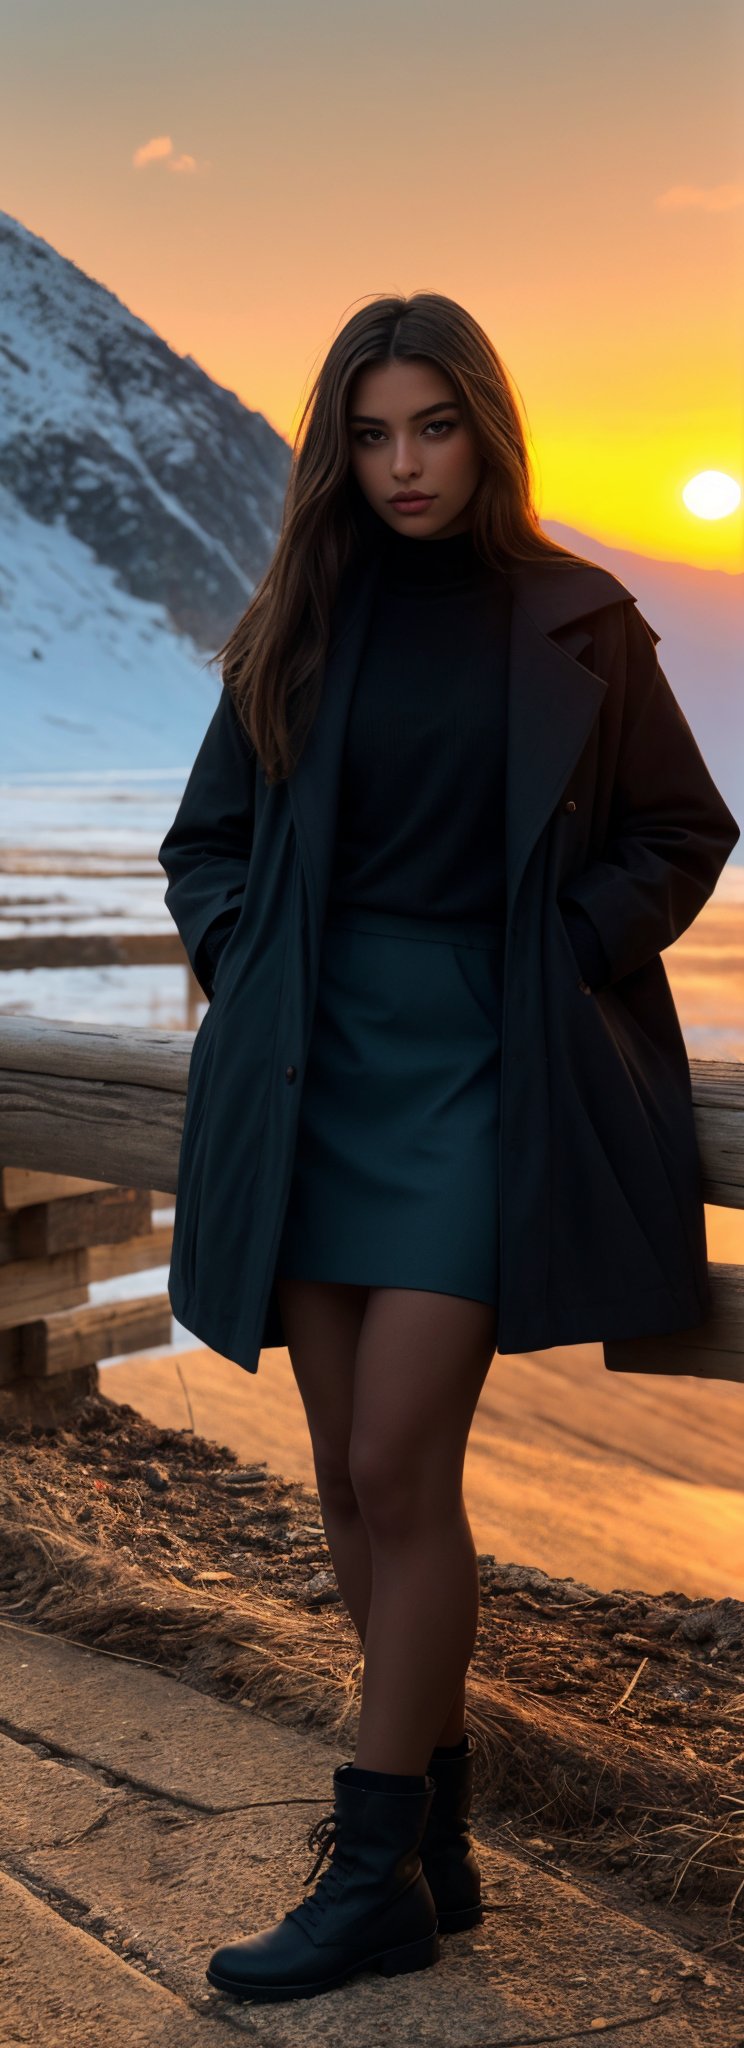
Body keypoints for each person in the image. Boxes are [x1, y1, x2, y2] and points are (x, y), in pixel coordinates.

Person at [157, 292, 739, 2006]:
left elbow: (684, 826)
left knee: (402, 1468)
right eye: (372, 431)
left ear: (487, 431)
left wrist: (554, 959)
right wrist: (248, 957)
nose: (404, 463)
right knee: (351, 1479)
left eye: (435, 425)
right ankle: (435, 1835)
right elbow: (205, 844)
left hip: (487, 1086)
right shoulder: (300, 618)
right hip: (312, 1078)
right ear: (338, 448)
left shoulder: (576, 620)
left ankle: (365, 1872)